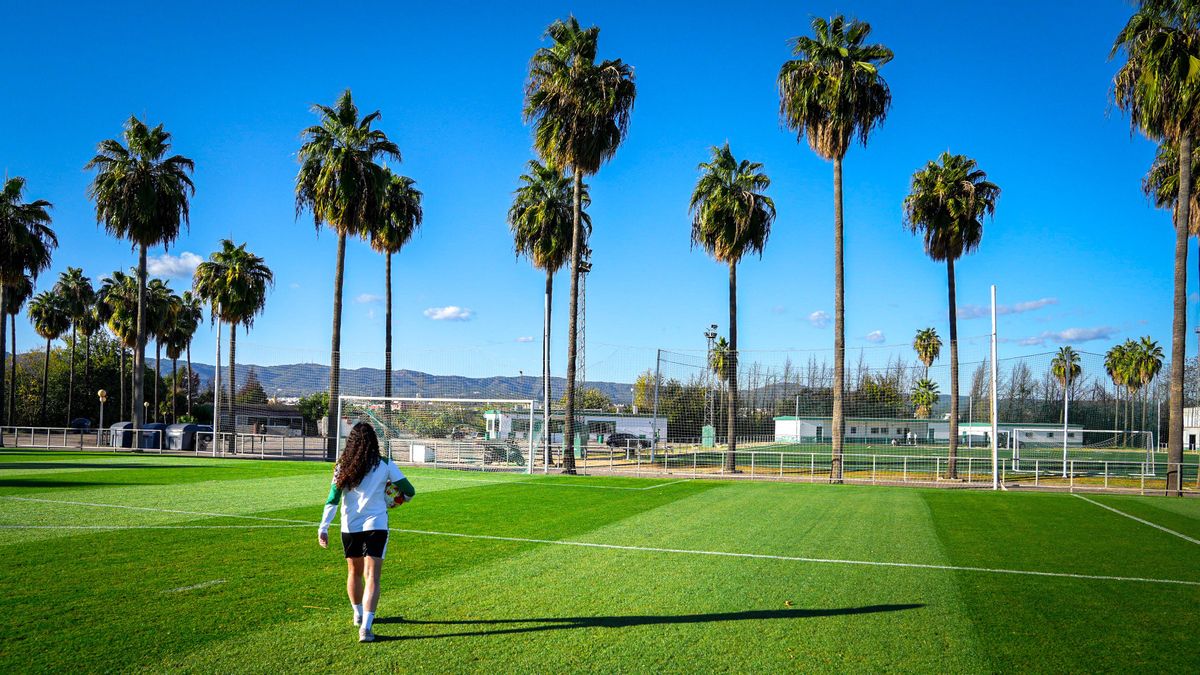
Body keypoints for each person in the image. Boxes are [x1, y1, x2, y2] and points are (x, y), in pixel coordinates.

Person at [318, 422, 415, 642]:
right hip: (377, 525)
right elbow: (410, 490)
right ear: (374, 442)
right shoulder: (385, 464)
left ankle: (357, 614)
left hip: (349, 527)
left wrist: (323, 527)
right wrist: (394, 499)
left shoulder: (342, 465)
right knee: (373, 576)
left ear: (350, 443)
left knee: (354, 573)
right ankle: (367, 628)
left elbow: (332, 499)